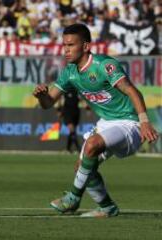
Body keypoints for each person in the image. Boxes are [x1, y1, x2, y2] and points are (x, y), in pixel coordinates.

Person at [33, 23, 159, 218]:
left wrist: (144, 121)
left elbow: (132, 90)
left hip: (128, 122)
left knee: (92, 144)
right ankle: (107, 207)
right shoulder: (69, 72)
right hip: (106, 122)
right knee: (82, 167)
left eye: (71, 45)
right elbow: (48, 102)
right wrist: (42, 96)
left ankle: (73, 198)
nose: (66, 50)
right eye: (64, 45)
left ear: (85, 46)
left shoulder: (104, 65)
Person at [57, 89, 81, 153]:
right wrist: (59, 110)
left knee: (72, 131)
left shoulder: (77, 89)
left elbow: (82, 99)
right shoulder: (65, 90)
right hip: (67, 111)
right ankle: (79, 148)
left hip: (76, 112)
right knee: (72, 129)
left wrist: (88, 108)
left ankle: (68, 149)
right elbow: (60, 100)